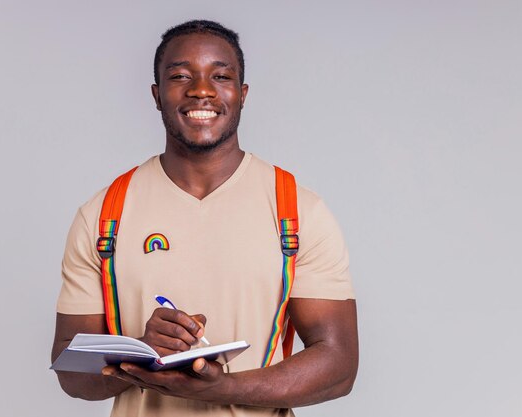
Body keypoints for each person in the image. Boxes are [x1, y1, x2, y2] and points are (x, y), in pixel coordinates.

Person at [51, 19, 358, 417]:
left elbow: (339, 367)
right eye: (181, 76)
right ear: (156, 95)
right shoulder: (104, 215)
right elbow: (71, 373)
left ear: (242, 94)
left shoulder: (298, 212)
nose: (201, 90)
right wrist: (144, 352)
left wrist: (223, 387)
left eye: (220, 75)